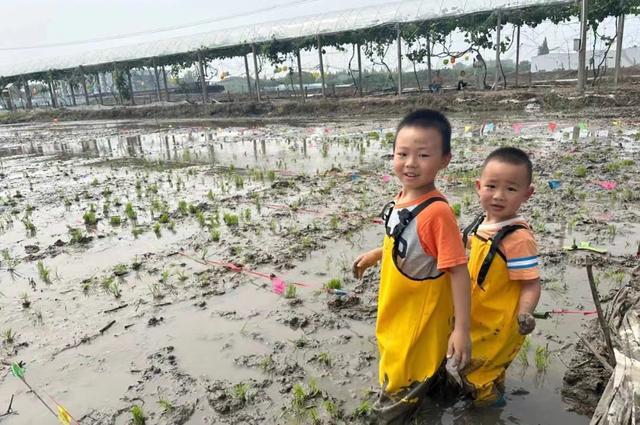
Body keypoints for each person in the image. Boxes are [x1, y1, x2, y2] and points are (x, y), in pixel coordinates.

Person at [353, 109, 471, 424]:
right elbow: (406, 242)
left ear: (444, 159)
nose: (410, 163)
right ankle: (442, 399)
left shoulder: (438, 214)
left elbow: (458, 270)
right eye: (402, 153)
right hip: (397, 317)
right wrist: (377, 254)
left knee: (393, 400)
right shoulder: (402, 198)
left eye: (422, 155)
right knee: (422, 387)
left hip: (416, 332)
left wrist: (461, 329)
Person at [461, 147, 541, 406]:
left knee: (478, 377)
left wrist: (526, 313)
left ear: (527, 194)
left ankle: (488, 413)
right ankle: (495, 392)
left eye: (511, 189)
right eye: (491, 186)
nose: (498, 196)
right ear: (478, 186)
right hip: (477, 316)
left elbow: (531, 283)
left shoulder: (518, 239)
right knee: (483, 368)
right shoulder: (479, 224)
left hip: (499, 324)